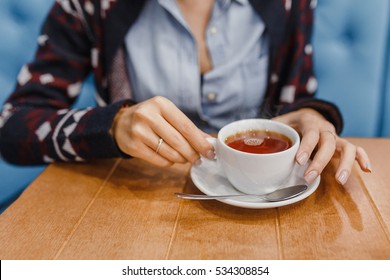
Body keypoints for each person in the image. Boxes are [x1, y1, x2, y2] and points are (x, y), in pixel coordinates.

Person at [0, 0, 371, 186]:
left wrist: (311, 116)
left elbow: (296, 102)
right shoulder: (91, 6)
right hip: (133, 202)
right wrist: (112, 126)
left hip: (259, 205)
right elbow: (13, 127)